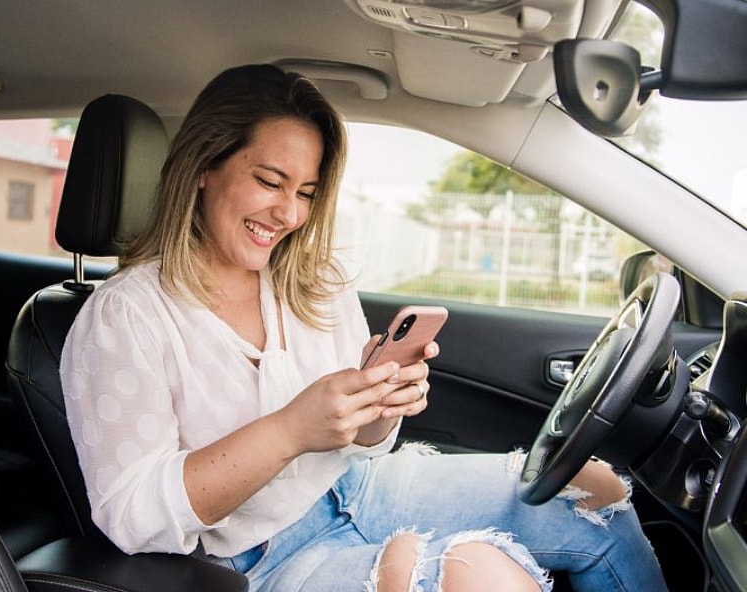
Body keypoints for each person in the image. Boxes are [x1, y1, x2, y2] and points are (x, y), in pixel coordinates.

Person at [60, 63, 669, 592]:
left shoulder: (314, 279)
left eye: (305, 191)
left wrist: (381, 405)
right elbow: (132, 515)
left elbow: (367, 444)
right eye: (269, 182)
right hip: (259, 558)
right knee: (481, 575)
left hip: (366, 487)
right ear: (203, 167)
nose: (289, 213)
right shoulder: (125, 317)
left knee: (594, 492)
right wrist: (289, 431)